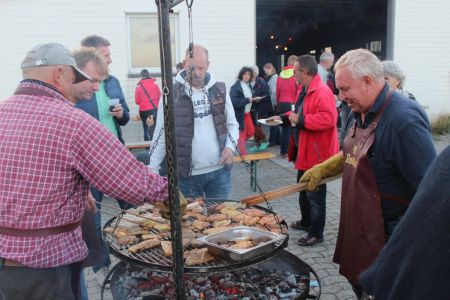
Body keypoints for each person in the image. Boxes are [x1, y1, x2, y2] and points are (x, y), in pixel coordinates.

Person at [0, 43, 169, 300]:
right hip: (45, 265)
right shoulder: (71, 121)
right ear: (59, 74)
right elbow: (127, 179)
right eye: (74, 76)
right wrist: (171, 194)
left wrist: (68, 188)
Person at [299, 48, 436, 298]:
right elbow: (361, 151)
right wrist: (326, 167)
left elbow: (431, 189)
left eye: (344, 89)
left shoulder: (404, 120)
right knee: (360, 284)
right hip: (358, 225)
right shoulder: (360, 109)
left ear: (368, 81)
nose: (340, 96)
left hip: (388, 235)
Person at [359, 146, 450, 299]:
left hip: (392, 225)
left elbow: (424, 177)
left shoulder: (404, 124)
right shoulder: (360, 122)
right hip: (366, 233)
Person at [75, 35, 131, 284]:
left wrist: (121, 114)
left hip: (116, 156)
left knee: (132, 208)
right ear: (91, 57)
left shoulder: (114, 81)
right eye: (106, 54)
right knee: (93, 215)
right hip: (89, 164)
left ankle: (133, 253)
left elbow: (126, 117)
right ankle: (101, 265)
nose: (110, 58)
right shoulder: (76, 90)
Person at [149, 45, 239, 200]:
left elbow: (232, 124)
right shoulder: (171, 94)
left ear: (208, 65)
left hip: (219, 173)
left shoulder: (219, 90)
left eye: (201, 68)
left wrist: (230, 148)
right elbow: (161, 134)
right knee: (191, 223)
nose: (197, 74)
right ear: (184, 64)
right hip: (186, 176)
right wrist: (152, 169)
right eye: (192, 69)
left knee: (220, 220)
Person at [269, 55, 339, 246]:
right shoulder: (304, 89)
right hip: (305, 152)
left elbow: (328, 119)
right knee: (303, 191)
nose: (293, 75)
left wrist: (299, 120)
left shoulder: (322, 92)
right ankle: (306, 222)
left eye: (295, 71)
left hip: (318, 155)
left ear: (305, 72)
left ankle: (316, 233)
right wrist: (281, 118)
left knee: (315, 196)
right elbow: (298, 113)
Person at [230, 67, 259, 155]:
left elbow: (249, 98)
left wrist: (254, 99)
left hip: (248, 114)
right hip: (240, 115)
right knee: (241, 135)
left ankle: (236, 144)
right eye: (245, 74)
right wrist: (247, 100)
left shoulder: (248, 85)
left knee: (251, 132)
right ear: (241, 75)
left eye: (249, 74)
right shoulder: (236, 87)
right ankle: (244, 155)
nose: (247, 76)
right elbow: (234, 102)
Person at [276, 55, 299, 158]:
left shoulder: (280, 75)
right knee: (290, 129)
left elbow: (277, 91)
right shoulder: (295, 75)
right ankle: (287, 152)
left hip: (281, 103)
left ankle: (282, 151)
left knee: (284, 128)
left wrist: (277, 103)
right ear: (295, 64)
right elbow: (298, 90)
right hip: (291, 104)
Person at [249, 65, 272, 152]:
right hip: (251, 107)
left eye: (253, 73)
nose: (252, 75)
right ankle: (258, 144)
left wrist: (260, 98)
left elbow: (267, 94)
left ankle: (263, 141)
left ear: (256, 73)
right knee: (254, 126)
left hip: (260, 107)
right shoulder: (248, 82)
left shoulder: (261, 81)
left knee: (257, 125)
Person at [135, 68, 161, 141]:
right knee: (155, 128)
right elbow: (160, 98)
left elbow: (137, 101)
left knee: (145, 128)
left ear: (141, 76)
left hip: (143, 111)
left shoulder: (139, 87)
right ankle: (155, 144)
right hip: (153, 110)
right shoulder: (155, 85)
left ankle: (147, 146)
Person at [263, 62, 280, 146]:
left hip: (272, 104)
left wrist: (273, 104)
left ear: (270, 69)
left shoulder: (273, 78)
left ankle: (272, 140)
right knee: (274, 122)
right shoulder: (274, 77)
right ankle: (277, 140)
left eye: (265, 70)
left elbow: (274, 92)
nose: (265, 72)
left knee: (272, 122)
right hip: (274, 104)